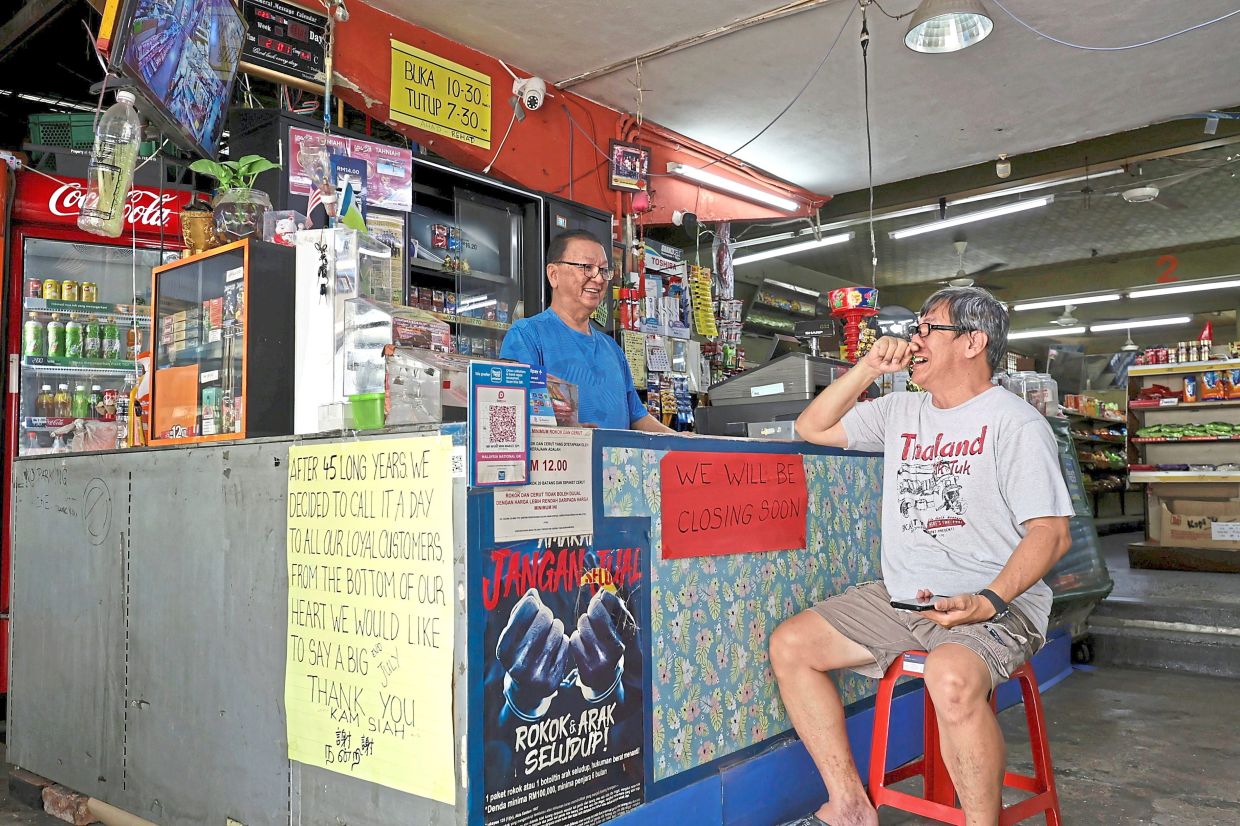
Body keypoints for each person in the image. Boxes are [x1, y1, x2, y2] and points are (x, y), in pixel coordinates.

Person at [770, 287, 1073, 826]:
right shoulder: (900, 410)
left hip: (998, 604)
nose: (915, 340)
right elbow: (810, 427)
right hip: (907, 598)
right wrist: (866, 368)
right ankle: (850, 805)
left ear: (973, 342)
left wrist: (988, 600)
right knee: (792, 644)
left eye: (929, 328)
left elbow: (1051, 534)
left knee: (950, 677)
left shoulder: (1016, 423)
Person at [501, 229, 674, 432]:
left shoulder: (612, 349)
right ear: (553, 275)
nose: (599, 279)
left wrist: (685, 441)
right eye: (587, 267)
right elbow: (515, 412)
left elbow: (638, 417)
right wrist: (570, 433)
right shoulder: (527, 335)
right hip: (561, 462)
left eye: (603, 270)